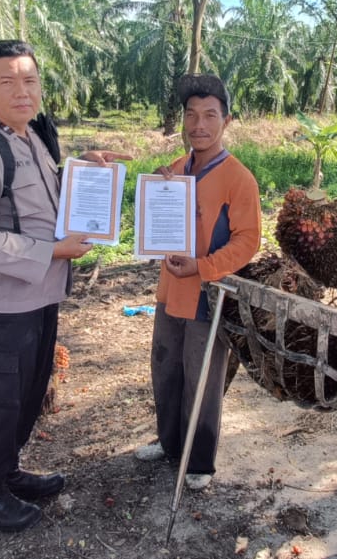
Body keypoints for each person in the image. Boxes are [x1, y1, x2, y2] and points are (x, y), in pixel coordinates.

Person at [0, 39, 129, 532]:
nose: (22, 91)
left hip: (39, 297)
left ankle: (8, 474)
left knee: (28, 396)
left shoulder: (29, 139)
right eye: (7, 81)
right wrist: (53, 251)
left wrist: (82, 166)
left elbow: (42, 205)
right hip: (1, 306)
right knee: (0, 402)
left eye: (29, 80)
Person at [133, 73, 261, 490]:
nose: (199, 125)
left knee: (201, 380)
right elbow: (157, 224)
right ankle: (169, 443)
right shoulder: (174, 171)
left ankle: (200, 461)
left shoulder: (239, 178)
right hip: (170, 292)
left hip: (207, 296)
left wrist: (203, 267)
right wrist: (156, 194)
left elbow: (248, 241)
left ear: (227, 121)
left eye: (209, 115)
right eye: (191, 115)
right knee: (165, 370)